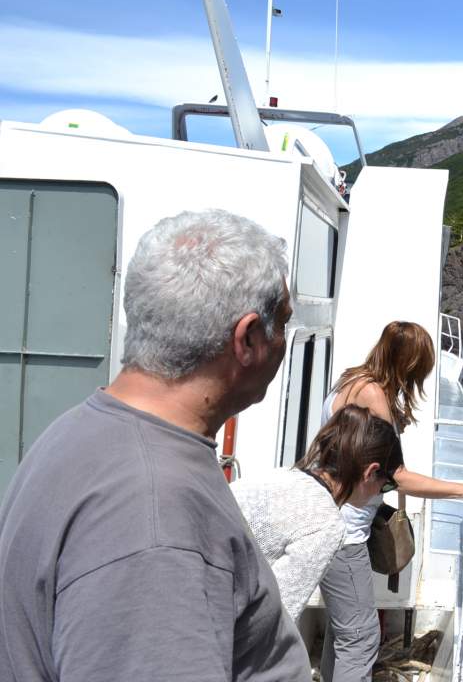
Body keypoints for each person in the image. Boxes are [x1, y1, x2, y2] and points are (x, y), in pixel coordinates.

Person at [0, 210, 310, 681]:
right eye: (283, 323)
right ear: (247, 339)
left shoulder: (80, 430)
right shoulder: (154, 513)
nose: (285, 342)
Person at [319, 320, 463, 682]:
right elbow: (399, 475)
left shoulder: (350, 380)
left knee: (343, 630)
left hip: (328, 515)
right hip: (347, 531)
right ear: (408, 364)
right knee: (360, 639)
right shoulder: (375, 397)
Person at [231, 404, 403, 622]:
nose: (380, 493)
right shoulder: (327, 523)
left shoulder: (283, 475)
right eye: (386, 485)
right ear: (371, 472)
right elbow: (274, 615)